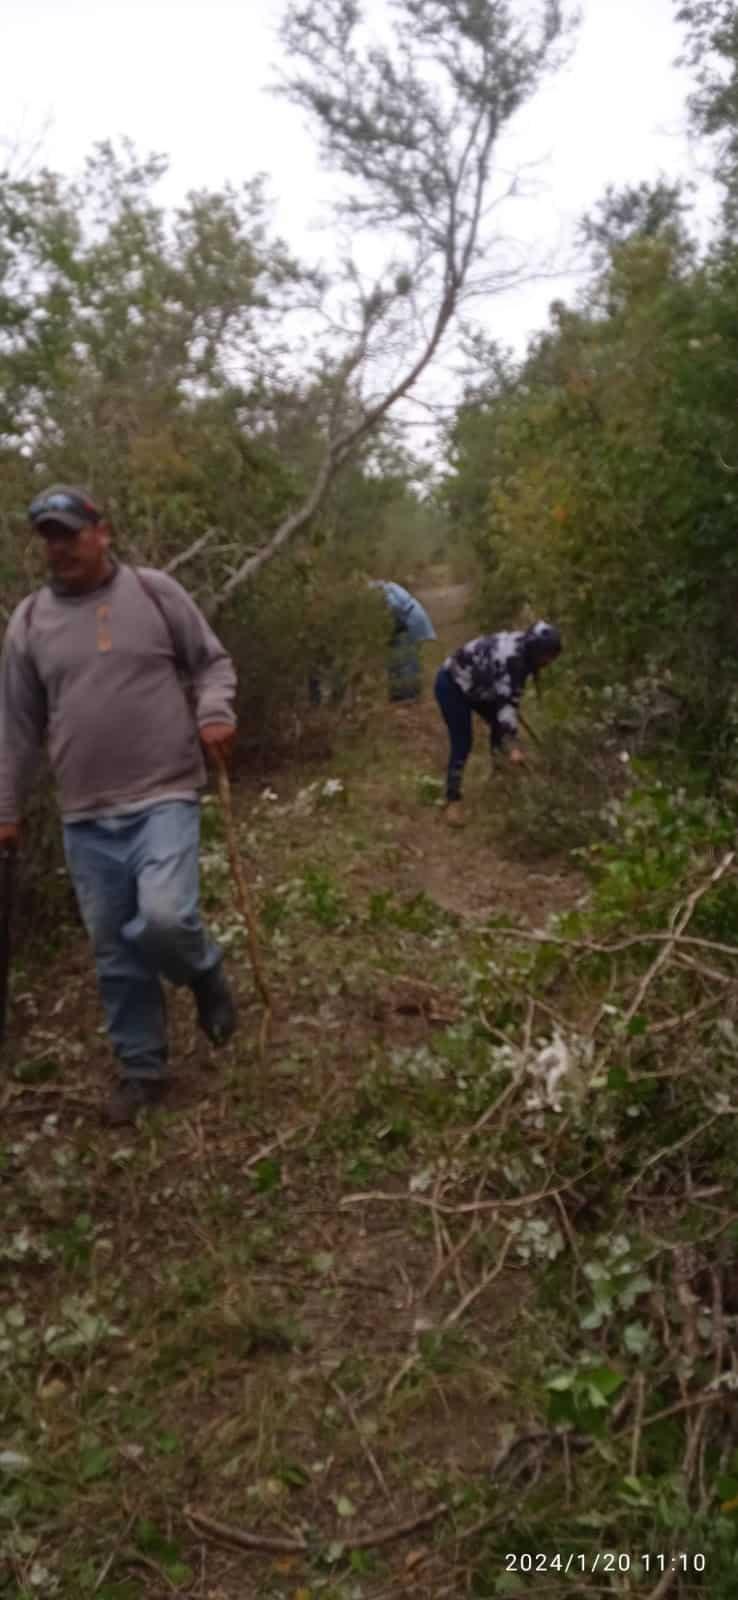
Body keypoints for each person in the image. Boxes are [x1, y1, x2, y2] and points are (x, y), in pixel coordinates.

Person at [0, 485, 239, 1124]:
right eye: (48, 536)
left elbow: (211, 663)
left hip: (164, 792)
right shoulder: (28, 623)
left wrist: (214, 711)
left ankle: (205, 971)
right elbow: (15, 726)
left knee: (163, 919)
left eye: (69, 533)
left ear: (101, 532)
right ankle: (141, 1069)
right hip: (83, 814)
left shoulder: (154, 593)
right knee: (113, 948)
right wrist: (6, 806)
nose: (59, 547)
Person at [434, 620, 562, 826]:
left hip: (481, 687)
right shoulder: (512, 659)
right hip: (453, 684)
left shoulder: (526, 653)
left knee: (499, 731)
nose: (549, 661)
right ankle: (452, 801)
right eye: (547, 655)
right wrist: (513, 746)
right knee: (463, 741)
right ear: (536, 648)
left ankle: (500, 786)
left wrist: (509, 736)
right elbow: (506, 706)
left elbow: (511, 697)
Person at [369, 581, 436, 702]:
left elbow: (394, 608)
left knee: (408, 658)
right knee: (396, 659)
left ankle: (410, 695)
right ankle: (399, 694)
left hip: (410, 621)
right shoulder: (382, 588)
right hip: (405, 620)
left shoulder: (381, 591)